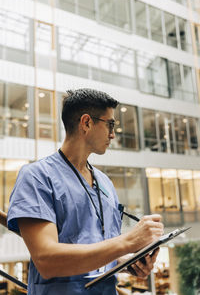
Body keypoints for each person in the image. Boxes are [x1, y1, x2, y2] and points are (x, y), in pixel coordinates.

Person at [7, 89, 164, 295]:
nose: (113, 134)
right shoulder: (37, 176)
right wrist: (127, 242)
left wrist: (126, 262)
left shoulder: (104, 183)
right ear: (87, 122)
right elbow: (47, 259)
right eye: (110, 124)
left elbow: (96, 246)